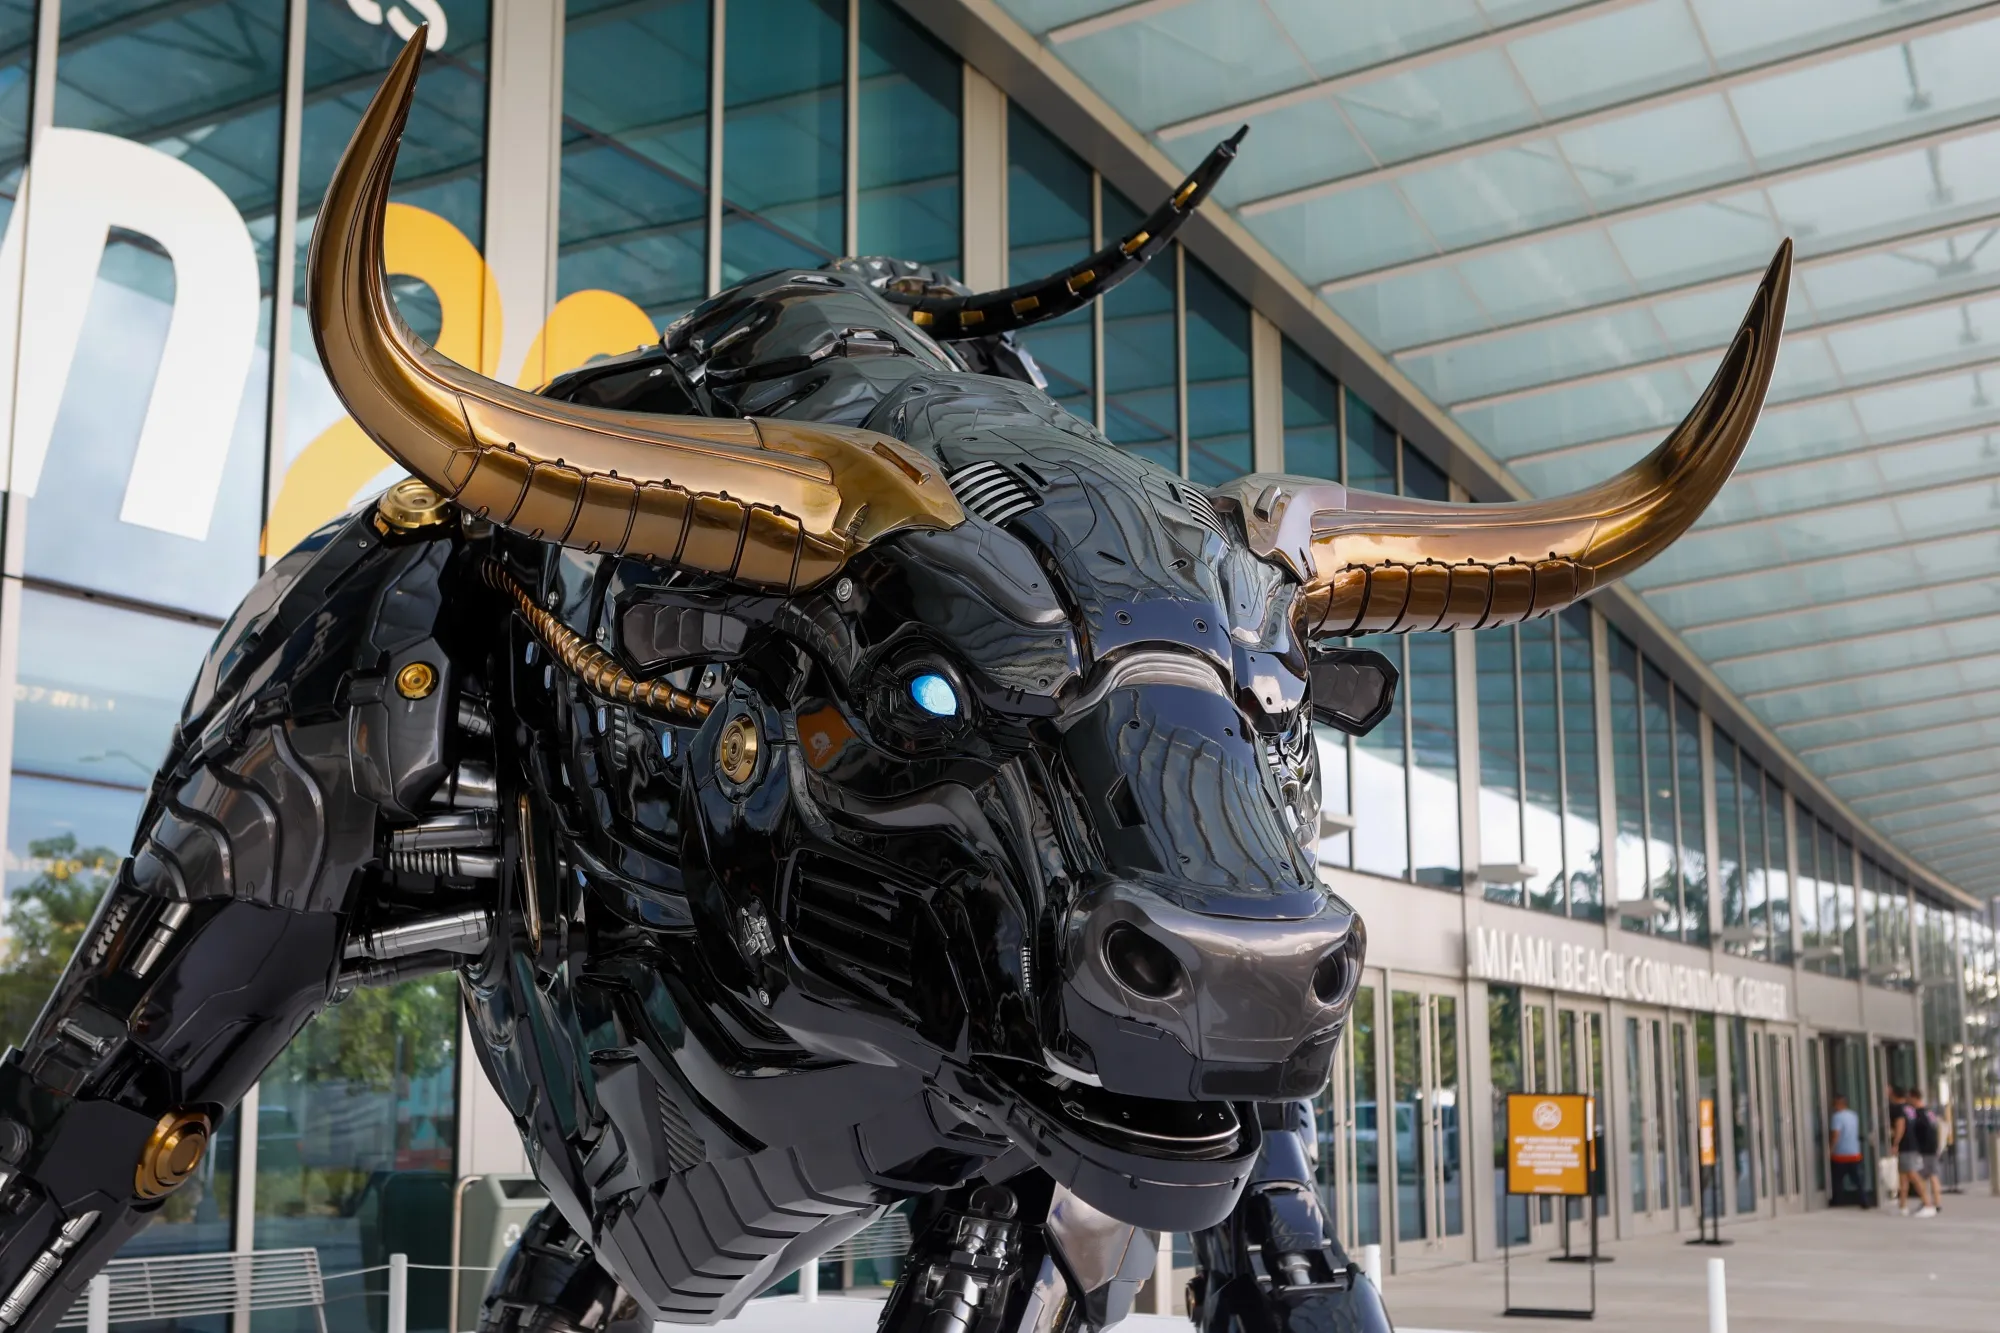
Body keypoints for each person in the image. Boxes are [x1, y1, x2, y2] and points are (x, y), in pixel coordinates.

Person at [1904, 1088, 1942, 1217]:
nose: (1908, 1101)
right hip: (1932, 1147)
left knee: (1926, 1175)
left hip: (1925, 1149)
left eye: (1909, 1098)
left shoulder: (1918, 1114)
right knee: (1930, 1174)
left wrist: (1919, 1147)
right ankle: (1935, 1202)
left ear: (1914, 1097)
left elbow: (1923, 1132)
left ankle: (1933, 1203)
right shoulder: (1929, 1111)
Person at [1829, 1095, 1865, 1206]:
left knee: (1837, 1180)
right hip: (1855, 1153)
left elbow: (1836, 1134)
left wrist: (1831, 1149)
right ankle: (1864, 1201)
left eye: (1834, 1104)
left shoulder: (1837, 1117)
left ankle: (1837, 1201)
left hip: (1841, 1154)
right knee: (1857, 1180)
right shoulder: (1853, 1115)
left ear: (1838, 1104)